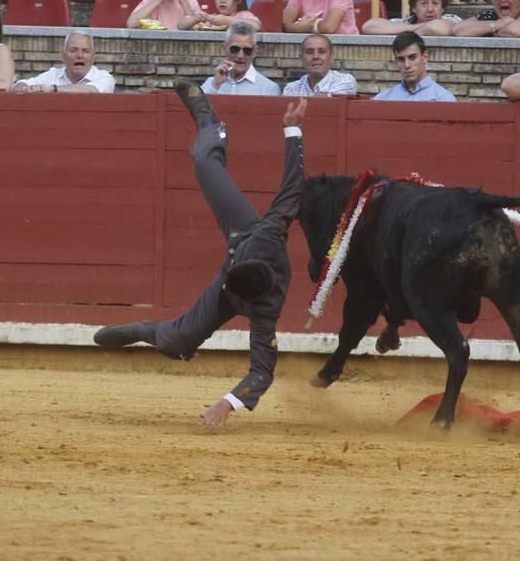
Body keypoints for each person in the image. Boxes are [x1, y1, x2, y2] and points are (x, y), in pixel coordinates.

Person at [94, 80, 309, 428]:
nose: (224, 287)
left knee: (179, 342)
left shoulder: (265, 310)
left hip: (244, 257)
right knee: (205, 165)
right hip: (243, 232)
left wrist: (227, 404)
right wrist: (293, 129)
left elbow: (262, 373)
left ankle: (146, 330)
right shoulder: (268, 232)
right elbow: (292, 187)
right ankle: (208, 122)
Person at [12, 32, 116, 94]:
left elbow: (92, 90)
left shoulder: (104, 77)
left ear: (93, 58)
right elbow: (18, 86)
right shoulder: (53, 75)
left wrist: (53, 89)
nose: (80, 55)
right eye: (73, 50)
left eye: (85, 51)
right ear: (63, 56)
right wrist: (25, 88)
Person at [201, 23, 281, 95]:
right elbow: (198, 109)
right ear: (224, 48)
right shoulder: (211, 83)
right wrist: (215, 85)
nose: (240, 56)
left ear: (255, 52)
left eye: (247, 50)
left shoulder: (268, 88)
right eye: (235, 49)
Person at [374, 30, 455, 101]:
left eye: (412, 57)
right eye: (401, 59)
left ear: (425, 57)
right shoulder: (383, 99)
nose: (407, 65)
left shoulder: (444, 99)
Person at [361, 0, 461, 35]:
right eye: (424, 4)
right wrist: (415, 27)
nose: (430, 9)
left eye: (435, 3)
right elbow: (368, 26)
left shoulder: (452, 20)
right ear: (413, 7)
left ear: (443, 8)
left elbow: (435, 28)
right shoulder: (407, 22)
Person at [283, 34, 358, 96]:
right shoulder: (291, 88)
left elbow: (332, 100)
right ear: (302, 59)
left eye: (321, 51)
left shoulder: (345, 80)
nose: (316, 56)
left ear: (331, 57)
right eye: (310, 52)